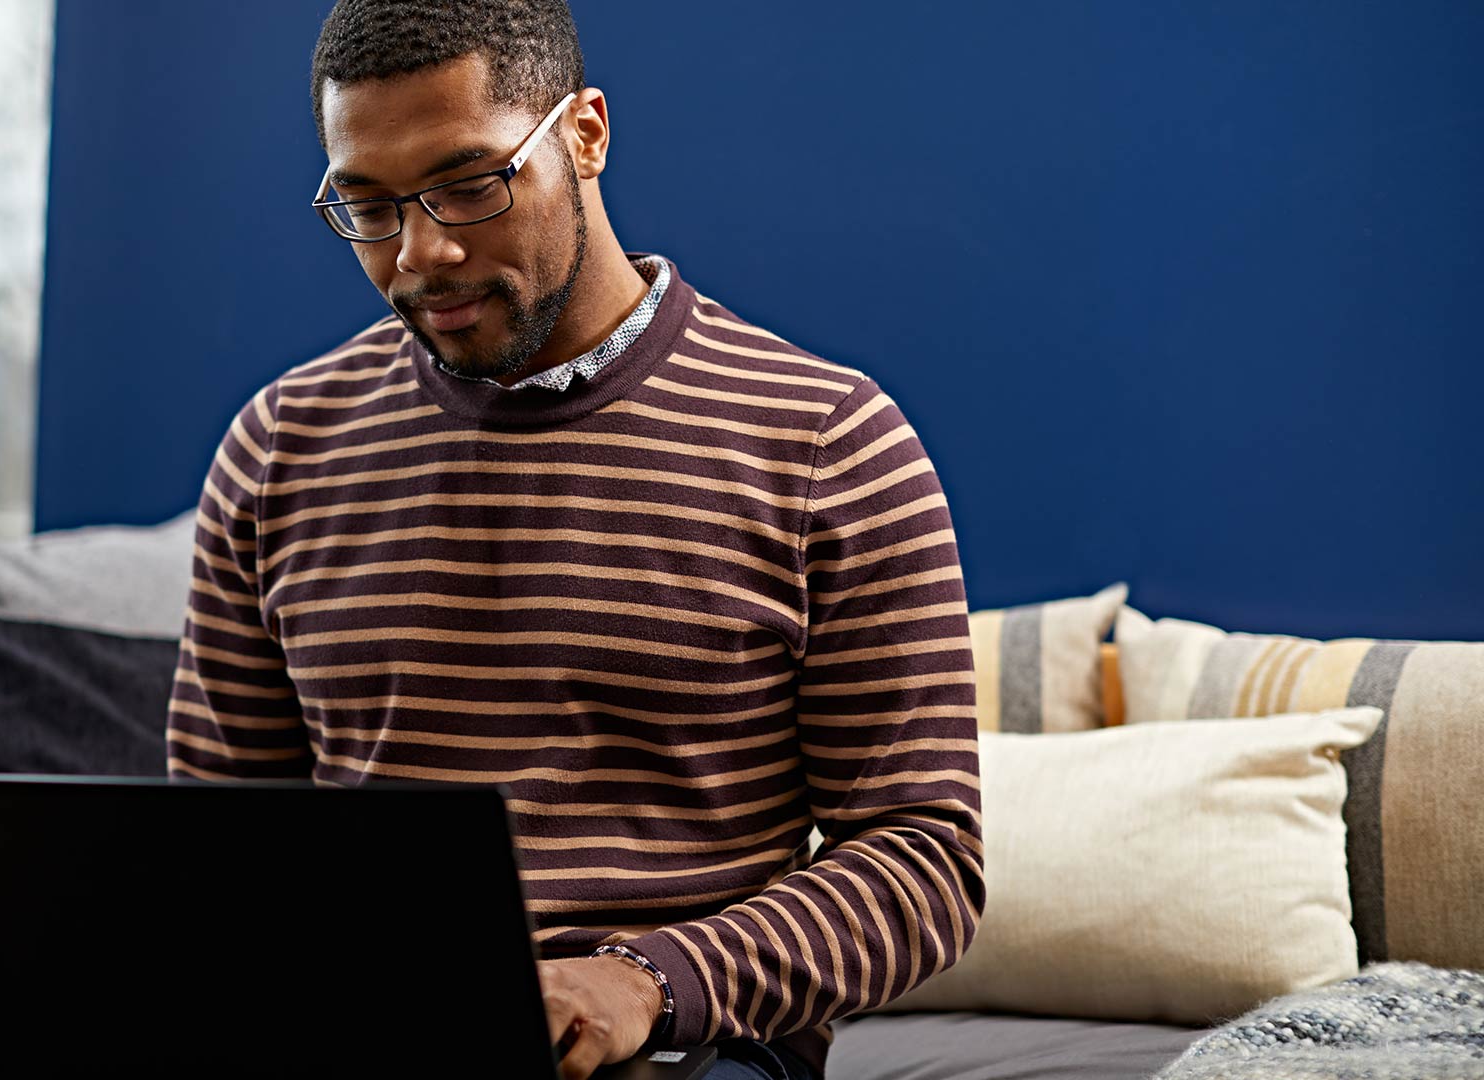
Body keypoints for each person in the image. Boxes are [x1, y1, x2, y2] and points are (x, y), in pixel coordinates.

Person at [165, 3, 984, 1077]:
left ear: (585, 135)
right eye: (367, 206)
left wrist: (645, 983)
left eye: (471, 184)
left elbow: (924, 863)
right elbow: (219, 845)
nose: (422, 252)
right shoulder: (281, 448)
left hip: (680, 1048)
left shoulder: (827, 444)